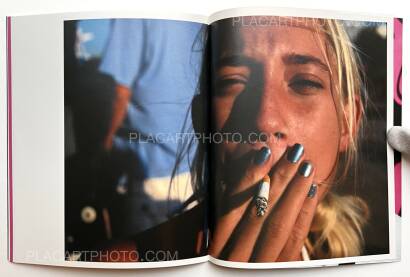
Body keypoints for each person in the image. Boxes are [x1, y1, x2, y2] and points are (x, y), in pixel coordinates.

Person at [95, 16, 405, 263]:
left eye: (304, 82)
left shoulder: (362, 256)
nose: (264, 120)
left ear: (349, 123)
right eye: (233, 82)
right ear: (200, 118)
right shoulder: (124, 265)